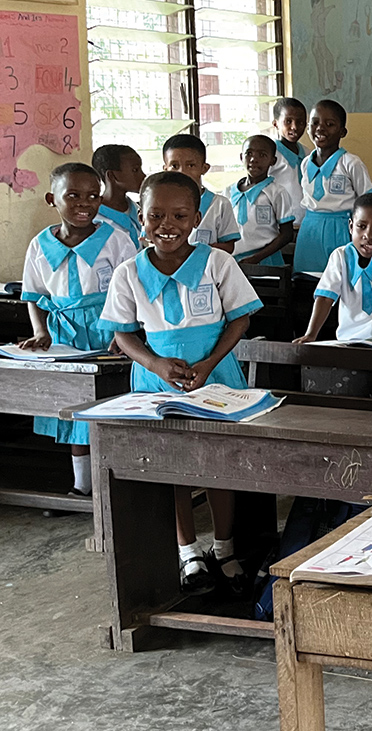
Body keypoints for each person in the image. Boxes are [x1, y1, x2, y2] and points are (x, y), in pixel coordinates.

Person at [98, 171, 264, 595]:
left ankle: (224, 548)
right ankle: (188, 551)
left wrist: (208, 363)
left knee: (219, 464)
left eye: (179, 214)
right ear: (140, 216)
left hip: (216, 377)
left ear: (196, 218)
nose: (166, 224)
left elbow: (240, 317)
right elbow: (123, 333)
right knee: (170, 467)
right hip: (156, 382)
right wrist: (154, 363)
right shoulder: (129, 272)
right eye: (155, 215)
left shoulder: (217, 263)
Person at [17, 163, 136, 506]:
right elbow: (35, 296)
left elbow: (130, 291)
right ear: (51, 199)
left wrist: (123, 332)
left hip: (108, 333)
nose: (84, 203)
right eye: (73, 195)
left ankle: (116, 486)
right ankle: (83, 486)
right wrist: (41, 332)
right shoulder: (40, 245)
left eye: (92, 196)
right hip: (64, 336)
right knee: (74, 413)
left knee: (110, 410)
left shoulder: (115, 239)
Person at [296, 193, 372, 343]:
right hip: (350, 340)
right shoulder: (340, 256)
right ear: (351, 226)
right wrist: (311, 335)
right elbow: (325, 297)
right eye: (362, 226)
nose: (368, 235)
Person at [298, 99, 372, 275]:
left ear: (342, 131)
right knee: (308, 280)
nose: (320, 128)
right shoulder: (305, 164)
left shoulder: (351, 163)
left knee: (341, 278)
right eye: (315, 123)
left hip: (340, 229)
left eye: (330, 124)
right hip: (310, 230)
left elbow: (369, 201)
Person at [225, 136, 296, 266]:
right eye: (249, 153)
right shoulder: (229, 192)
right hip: (234, 262)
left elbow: (287, 234)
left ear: (272, 161)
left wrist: (256, 258)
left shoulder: (277, 192)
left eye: (262, 155)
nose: (254, 159)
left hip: (267, 261)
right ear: (241, 157)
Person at [161, 134, 239, 254]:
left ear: (204, 168)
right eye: (174, 166)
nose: (182, 172)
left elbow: (228, 246)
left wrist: (196, 252)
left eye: (191, 165)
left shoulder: (220, 204)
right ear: (165, 169)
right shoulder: (159, 204)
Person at [92, 144, 145, 248]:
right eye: (135, 170)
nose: (143, 176)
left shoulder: (138, 210)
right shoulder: (95, 219)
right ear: (112, 175)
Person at [266, 97, 308, 227]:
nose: (294, 127)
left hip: (305, 223)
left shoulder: (308, 154)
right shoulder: (269, 154)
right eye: (288, 121)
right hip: (279, 225)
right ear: (275, 124)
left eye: (300, 122)